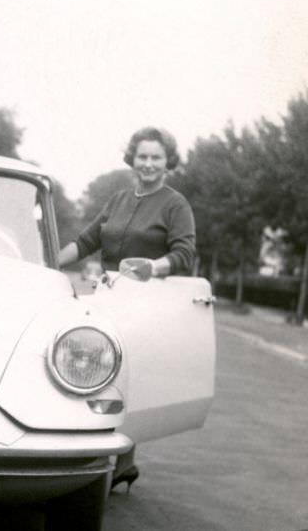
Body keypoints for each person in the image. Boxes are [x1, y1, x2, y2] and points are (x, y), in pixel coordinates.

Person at [58, 126, 197, 491]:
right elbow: (87, 241)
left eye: (156, 157)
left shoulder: (174, 204)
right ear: (132, 159)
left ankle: (119, 457)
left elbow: (184, 254)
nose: (148, 164)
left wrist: (154, 267)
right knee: (92, 369)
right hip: (107, 295)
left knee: (125, 379)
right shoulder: (118, 199)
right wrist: (47, 260)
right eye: (143, 156)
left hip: (145, 300)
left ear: (168, 163)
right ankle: (114, 461)